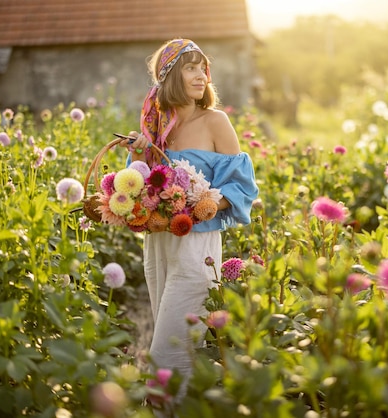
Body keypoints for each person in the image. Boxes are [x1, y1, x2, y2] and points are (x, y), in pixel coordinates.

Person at [119, 38, 259, 401]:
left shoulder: (215, 121)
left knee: (168, 351)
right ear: (169, 76)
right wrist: (139, 156)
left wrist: (209, 202)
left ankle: (173, 408)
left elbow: (243, 186)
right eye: (190, 67)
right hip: (160, 245)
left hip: (197, 247)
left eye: (203, 68)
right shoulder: (158, 129)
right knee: (177, 346)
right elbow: (143, 191)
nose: (201, 76)